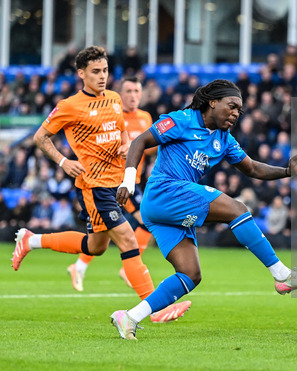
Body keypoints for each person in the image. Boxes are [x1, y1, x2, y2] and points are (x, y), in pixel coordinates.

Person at [111, 79, 297, 340]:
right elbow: (140, 141)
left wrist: (287, 171)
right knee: (237, 208)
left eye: (239, 110)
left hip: (166, 210)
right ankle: (283, 274)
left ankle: (129, 317)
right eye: (231, 106)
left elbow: (253, 168)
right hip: (165, 191)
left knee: (190, 275)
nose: (235, 113)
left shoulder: (224, 139)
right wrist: (129, 181)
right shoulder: (182, 120)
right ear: (212, 102)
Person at [11, 46, 190, 324]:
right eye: (95, 72)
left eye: (105, 70)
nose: (102, 76)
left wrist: (125, 145)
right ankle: (154, 308)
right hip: (94, 186)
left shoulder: (115, 99)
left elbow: (121, 132)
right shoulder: (70, 105)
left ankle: (30, 240)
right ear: (82, 74)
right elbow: (40, 137)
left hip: (116, 182)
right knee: (129, 239)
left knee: (95, 247)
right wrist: (62, 162)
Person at [69, 76, 156, 293]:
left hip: (134, 182)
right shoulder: (111, 113)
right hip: (114, 183)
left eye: (137, 91)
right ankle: (128, 270)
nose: (133, 95)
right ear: (120, 93)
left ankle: (79, 265)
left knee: (104, 234)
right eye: (129, 91)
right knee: (146, 221)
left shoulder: (145, 118)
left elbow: (149, 147)